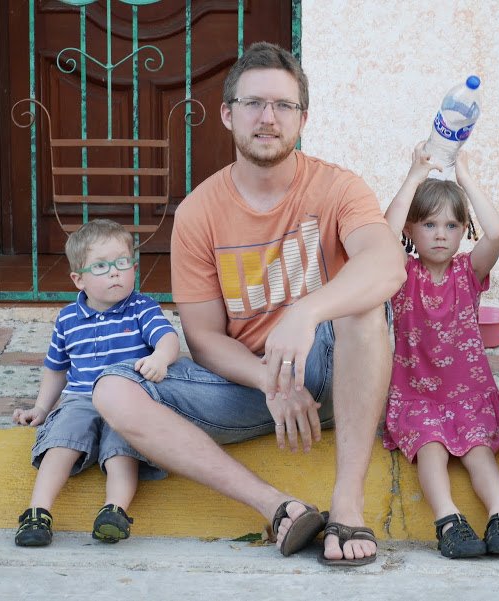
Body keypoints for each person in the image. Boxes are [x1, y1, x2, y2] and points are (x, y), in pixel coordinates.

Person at [92, 42, 405, 566]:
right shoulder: (199, 212)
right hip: (255, 389)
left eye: (283, 105)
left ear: (302, 118)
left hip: (337, 370)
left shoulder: (338, 187)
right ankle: (280, 509)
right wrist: (270, 381)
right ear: (227, 114)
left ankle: (347, 505)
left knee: (364, 305)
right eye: (253, 103)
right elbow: (203, 338)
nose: (268, 118)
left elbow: (387, 264)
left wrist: (305, 312)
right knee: (112, 390)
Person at [382, 144, 499, 559]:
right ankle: (449, 520)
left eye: (451, 225)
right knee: (431, 446)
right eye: (429, 224)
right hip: (417, 395)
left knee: (479, 451)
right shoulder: (402, 274)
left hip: (468, 395)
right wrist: (414, 175)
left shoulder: (469, 272)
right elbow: (384, 233)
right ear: (411, 229)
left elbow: (496, 233)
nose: (441, 234)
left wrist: (465, 178)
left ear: (464, 230)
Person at [12, 219, 180, 547]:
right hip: (81, 399)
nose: (115, 272)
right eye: (101, 266)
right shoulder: (67, 319)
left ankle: (114, 511)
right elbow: (56, 369)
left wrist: (160, 358)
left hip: (127, 400)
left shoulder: (141, 308)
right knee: (62, 441)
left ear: (133, 268)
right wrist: (42, 408)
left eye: (122, 263)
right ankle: (37, 512)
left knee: (122, 450)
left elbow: (168, 338)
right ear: (79, 279)